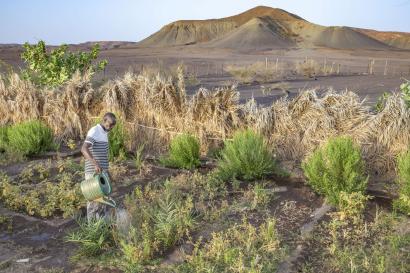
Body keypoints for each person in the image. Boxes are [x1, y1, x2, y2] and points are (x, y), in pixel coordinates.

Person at [81, 112, 116, 222]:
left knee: (103, 201)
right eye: (108, 125)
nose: (109, 128)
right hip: (93, 172)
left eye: (112, 126)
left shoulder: (104, 133)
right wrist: (95, 164)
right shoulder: (94, 130)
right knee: (94, 201)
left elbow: (103, 157)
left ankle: (100, 227)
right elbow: (84, 149)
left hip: (102, 172)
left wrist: (108, 173)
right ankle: (92, 229)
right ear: (103, 120)